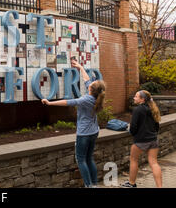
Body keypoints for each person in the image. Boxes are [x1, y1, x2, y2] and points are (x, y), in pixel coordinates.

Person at [42, 59, 106, 188]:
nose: (90, 82)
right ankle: (94, 184)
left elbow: (67, 102)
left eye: (92, 83)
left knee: (81, 159)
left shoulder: (85, 99)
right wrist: (80, 67)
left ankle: (89, 185)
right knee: (89, 158)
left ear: (91, 89)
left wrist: (49, 103)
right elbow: (87, 79)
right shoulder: (97, 96)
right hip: (94, 131)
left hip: (84, 134)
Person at [121, 90, 162, 188]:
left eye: (136, 96)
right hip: (153, 140)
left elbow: (133, 128)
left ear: (142, 99)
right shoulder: (153, 108)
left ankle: (131, 183)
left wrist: (131, 131)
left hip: (141, 141)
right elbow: (157, 126)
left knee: (134, 159)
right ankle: (160, 187)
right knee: (154, 162)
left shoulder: (138, 110)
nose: (134, 98)